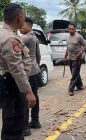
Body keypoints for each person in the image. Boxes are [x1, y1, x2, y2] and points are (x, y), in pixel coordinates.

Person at [0, 3, 36, 140]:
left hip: (6, 81)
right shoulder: (10, 38)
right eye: (24, 15)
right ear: (19, 17)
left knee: (13, 123)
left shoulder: (8, 34)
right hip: (12, 84)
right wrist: (28, 91)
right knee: (14, 127)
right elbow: (16, 69)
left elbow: (24, 55)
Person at [20, 17, 42, 136]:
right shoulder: (35, 37)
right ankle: (35, 121)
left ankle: (24, 128)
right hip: (34, 70)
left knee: (25, 99)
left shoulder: (25, 38)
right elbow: (38, 55)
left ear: (28, 26)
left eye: (22, 26)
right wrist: (36, 67)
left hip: (27, 71)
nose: (21, 27)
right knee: (34, 96)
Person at [64, 23, 86, 96]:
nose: (71, 30)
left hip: (77, 59)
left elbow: (85, 45)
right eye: (69, 29)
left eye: (72, 28)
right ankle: (80, 86)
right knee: (75, 73)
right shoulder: (67, 37)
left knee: (74, 74)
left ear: (75, 29)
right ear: (67, 29)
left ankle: (71, 89)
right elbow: (68, 48)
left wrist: (80, 52)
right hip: (70, 58)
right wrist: (65, 56)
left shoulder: (78, 37)